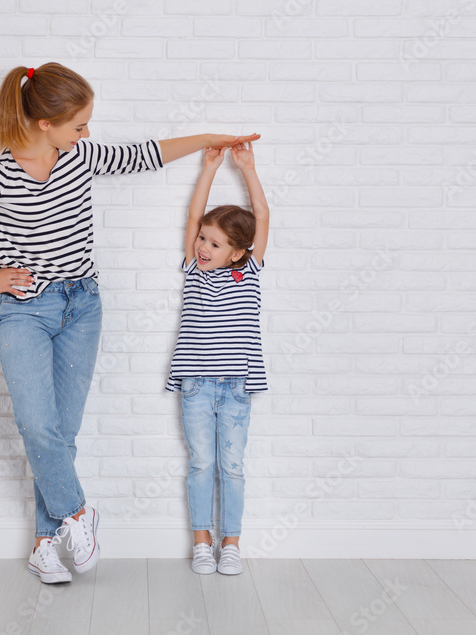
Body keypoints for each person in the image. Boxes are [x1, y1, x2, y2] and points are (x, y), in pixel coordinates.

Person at [0, 62, 259, 584]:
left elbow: (145, 154)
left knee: (61, 433)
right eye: (79, 125)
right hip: (24, 311)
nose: (87, 134)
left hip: (83, 305)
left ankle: (43, 544)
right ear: (42, 124)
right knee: (38, 425)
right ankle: (78, 513)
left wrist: (209, 142)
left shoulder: (79, 157)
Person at [165, 141, 269, 575]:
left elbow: (262, 217)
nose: (204, 247)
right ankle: (202, 541)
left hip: (236, 386)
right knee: (202, 463)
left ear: (238, 252)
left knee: (232, 465)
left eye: (216, 243)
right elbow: (193, 216)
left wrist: (247, 168)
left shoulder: (251, 271)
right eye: (204, 239)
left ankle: (231, 542)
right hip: (195, 383)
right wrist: (210, 167)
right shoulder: (193, 267)